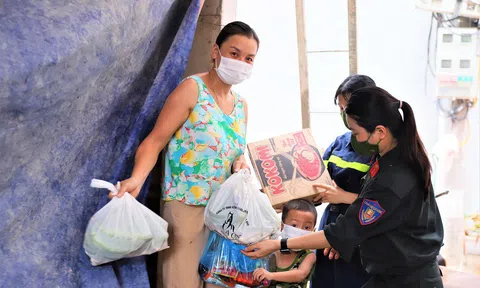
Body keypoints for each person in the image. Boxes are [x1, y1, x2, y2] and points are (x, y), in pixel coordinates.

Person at [242, 87, 444, 288]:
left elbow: (344, 230)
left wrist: (279, 244)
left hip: (408, 280)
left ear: (380, 132)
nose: (353, 139)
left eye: (355, 133)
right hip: (390, 274)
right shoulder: (391, 157)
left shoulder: (394, 179)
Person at [111, 21, 259, 288]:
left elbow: (235, 153)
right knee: (181, 282)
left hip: (224, 215)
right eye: (234, 54)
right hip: (186, 206)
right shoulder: (192, 89)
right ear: (216, 51)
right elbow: (154, 141)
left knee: (219, 283)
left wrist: (241, 165)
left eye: (249, 58)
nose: (241, 63)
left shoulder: (242, 107)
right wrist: (136, 178)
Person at [310, 75, 376, 288]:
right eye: (340, 108)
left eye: (347, 108)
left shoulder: (381, 148)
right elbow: (318, 181)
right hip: (330, 228)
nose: (343, 114)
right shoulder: (339, 143)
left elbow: (384, 204)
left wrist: (343, 197)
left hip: (362, 236)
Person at [253, 199, 317, 288]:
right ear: (282, 226)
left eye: (306, 227)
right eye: (294, 225)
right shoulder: (274, 251)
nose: (300, 230)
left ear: (314, 231)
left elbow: (300, 274)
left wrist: (271, 275)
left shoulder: (309, 255)